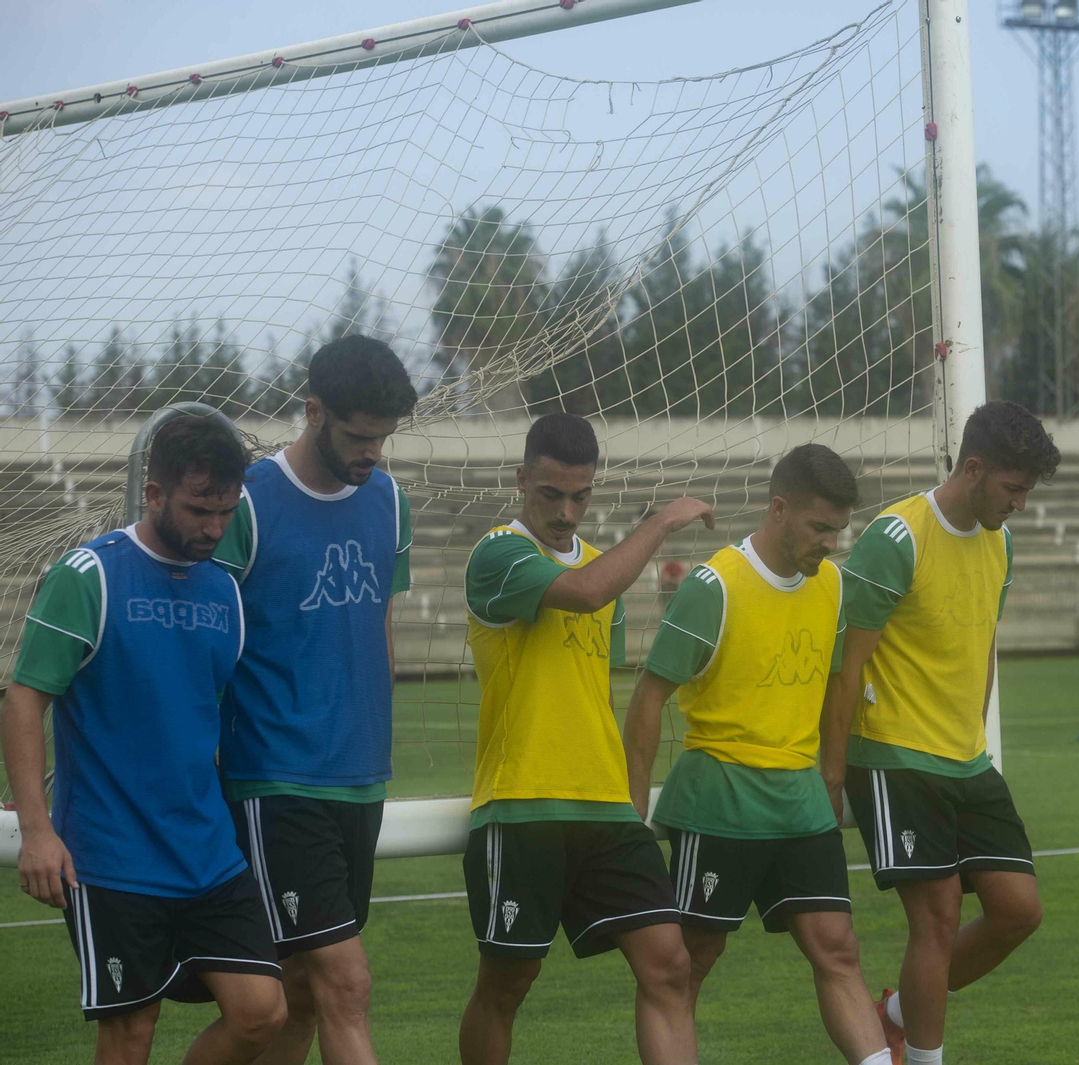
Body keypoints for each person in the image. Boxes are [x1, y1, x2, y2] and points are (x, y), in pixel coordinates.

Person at [1, 414, 287, 1065]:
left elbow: (200, 717)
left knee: (261, 1011)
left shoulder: (224, 592)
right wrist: (40, 828)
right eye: (198, 509)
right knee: (131, 1033)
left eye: (225, 510)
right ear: (154, 494)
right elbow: (23, 699)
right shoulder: (88, 576)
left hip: (208, 852)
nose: (214, 527)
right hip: (112, 854)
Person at [624, 444, 892, 1065]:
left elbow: (831, 688)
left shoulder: (831, 587)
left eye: (838, 530)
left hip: (799, 801)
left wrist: (830, 776)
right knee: (689, 963)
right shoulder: (715, 585)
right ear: (778, 508)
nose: (830, 543)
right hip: (722, 798)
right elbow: (648, 698)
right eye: (819, 527)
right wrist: (633, 805)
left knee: (838, 948)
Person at [457, 412, 712, 1065]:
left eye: (581, 495)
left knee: (669, 963)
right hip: (522, 802)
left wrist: (629, 798)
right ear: (521, 481)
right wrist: (659, 522)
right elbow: (585, 590)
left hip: (604, 808)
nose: (567, 511)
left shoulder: (608, 570)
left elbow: (597, 693)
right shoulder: (499, 552)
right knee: (508, 983)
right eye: (551, 494)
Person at [822, 401, 1059, 1065]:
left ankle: (894, 1014)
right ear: (975, 469)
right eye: (1013, 488)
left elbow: (981, 643)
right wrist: (833, 773)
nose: (1019, 504)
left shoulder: (1000, 541)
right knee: (937, 917)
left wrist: (976, 736)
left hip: (965, 759)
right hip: (894, 756)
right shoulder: (897, 536)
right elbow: (849, 664)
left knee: (1019, 909)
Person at [211, 335, 418, 1065]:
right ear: (313, 410)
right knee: (345, 981)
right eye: (360, 436)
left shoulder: (389, 499)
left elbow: (380, 628)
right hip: (274, 777)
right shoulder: (249, 502)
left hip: (361, 776)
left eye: (384, 438)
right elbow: (204, 645)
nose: (372, 454)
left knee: (299, 992)